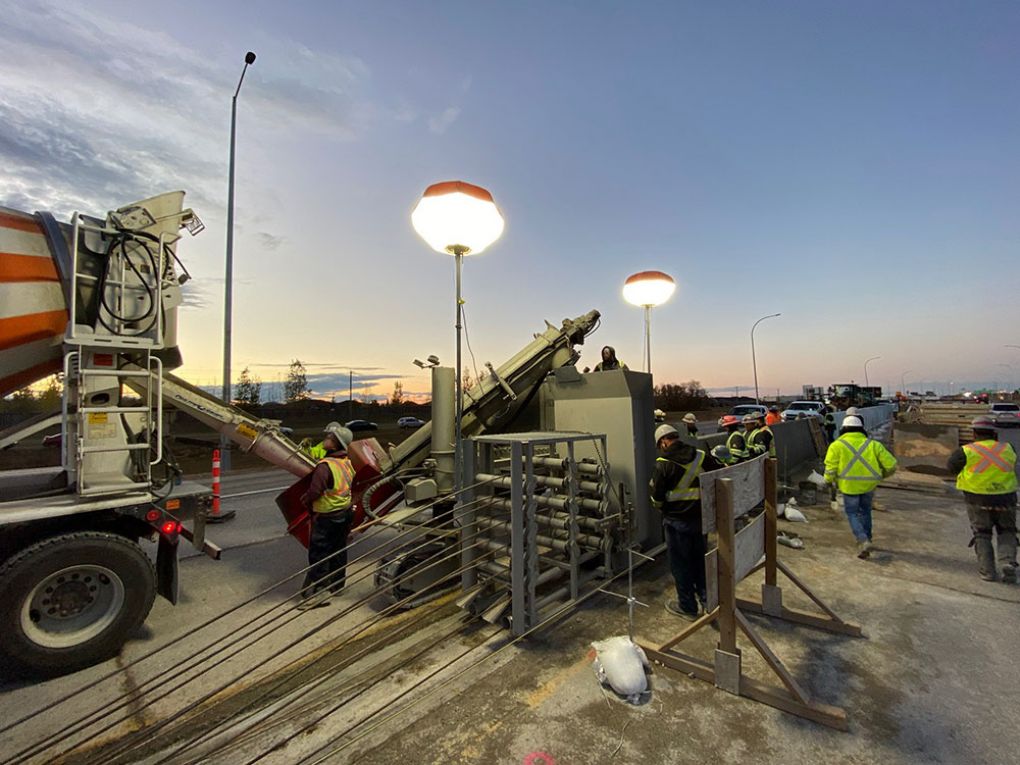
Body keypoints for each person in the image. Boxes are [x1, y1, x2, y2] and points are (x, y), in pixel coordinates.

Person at [649, 423, 723, 619]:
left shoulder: (663, 464)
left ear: (664, 441)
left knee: (681, 565)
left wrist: (662, 508)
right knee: (700, 561)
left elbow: (657, 498)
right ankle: (709, 602)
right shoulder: (700, 456)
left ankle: (688, 607)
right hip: (701, 520)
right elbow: (720, 475)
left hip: (676, 523)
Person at [947, 417, 1018, 583]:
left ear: (974, 433)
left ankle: (987, 571)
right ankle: (1008, 562)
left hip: (977, 498)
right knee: (1007, 531)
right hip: (1005, 497)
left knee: (982, 533)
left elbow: (951, 468)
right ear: (994, 433)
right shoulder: (1008, 448)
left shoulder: (966, 451)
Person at [298, 423, 357, 609]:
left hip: (326, 517)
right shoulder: (346, 463)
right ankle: (338, 585)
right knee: (339, 549)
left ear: (336, 444)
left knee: (319, 553)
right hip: (344, 514)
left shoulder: (325, 466)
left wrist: (305, 500)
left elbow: (315, 491)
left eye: (330, 438)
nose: (326, 439)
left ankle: (321, 591)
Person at [824, 414, 897, 559]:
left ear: (843, 429)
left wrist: (828, 480)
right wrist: (881, 476)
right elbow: (891, 465)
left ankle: (862, 539)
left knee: (852, 513)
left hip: (849, 486)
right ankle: (868, 539)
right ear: (861, 429)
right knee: (865, 512)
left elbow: (830, 469)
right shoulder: (873, 445)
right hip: (869, 486)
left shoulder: (836, 446)